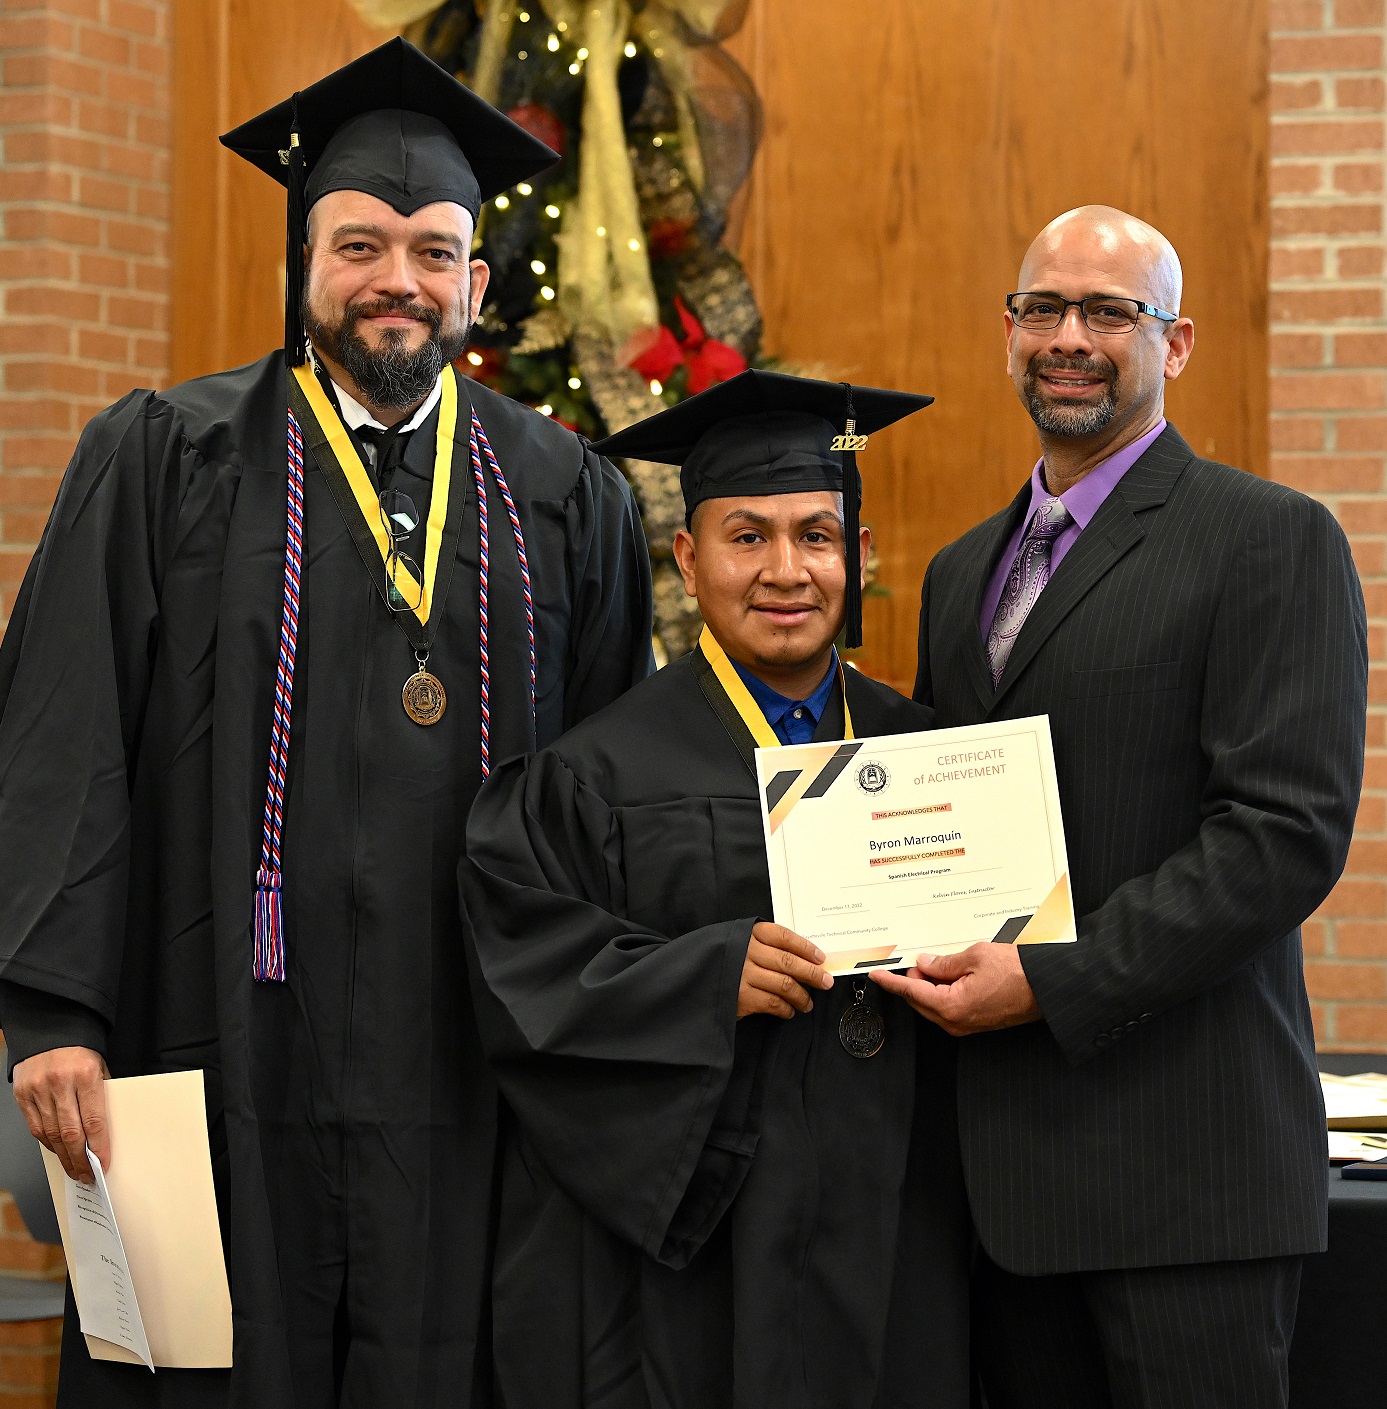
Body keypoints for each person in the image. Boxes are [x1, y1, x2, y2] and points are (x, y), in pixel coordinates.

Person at [0, 39, 652, 1409]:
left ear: (477, 280)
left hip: (474, 1053)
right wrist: (54, 1010)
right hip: (220, 1029)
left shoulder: (562, 495)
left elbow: (612, 783)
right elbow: (63, 733)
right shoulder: (168, 456)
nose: (395, 280)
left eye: (430, 248)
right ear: (305, 260)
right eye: (359, 243)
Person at [880, 205, 1368, 1407]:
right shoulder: (958, 573)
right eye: (1042, 307)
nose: (1070, 337)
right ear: (1007, 332)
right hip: (1001, 1186)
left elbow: (1280, 837)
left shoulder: (1268, 539)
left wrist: (1046, 978)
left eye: (1110, 311)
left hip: (1183, 1181)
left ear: (1178, 340)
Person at [460, 370, 971, 1409]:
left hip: (897, 1230)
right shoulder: (595, 773)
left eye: (816, 536)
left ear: (857, 558)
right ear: (688, 560)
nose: (786, 570)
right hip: (699, 1255)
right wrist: (703, 974)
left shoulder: (934, 757)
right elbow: (521, 987)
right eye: (747, 536)